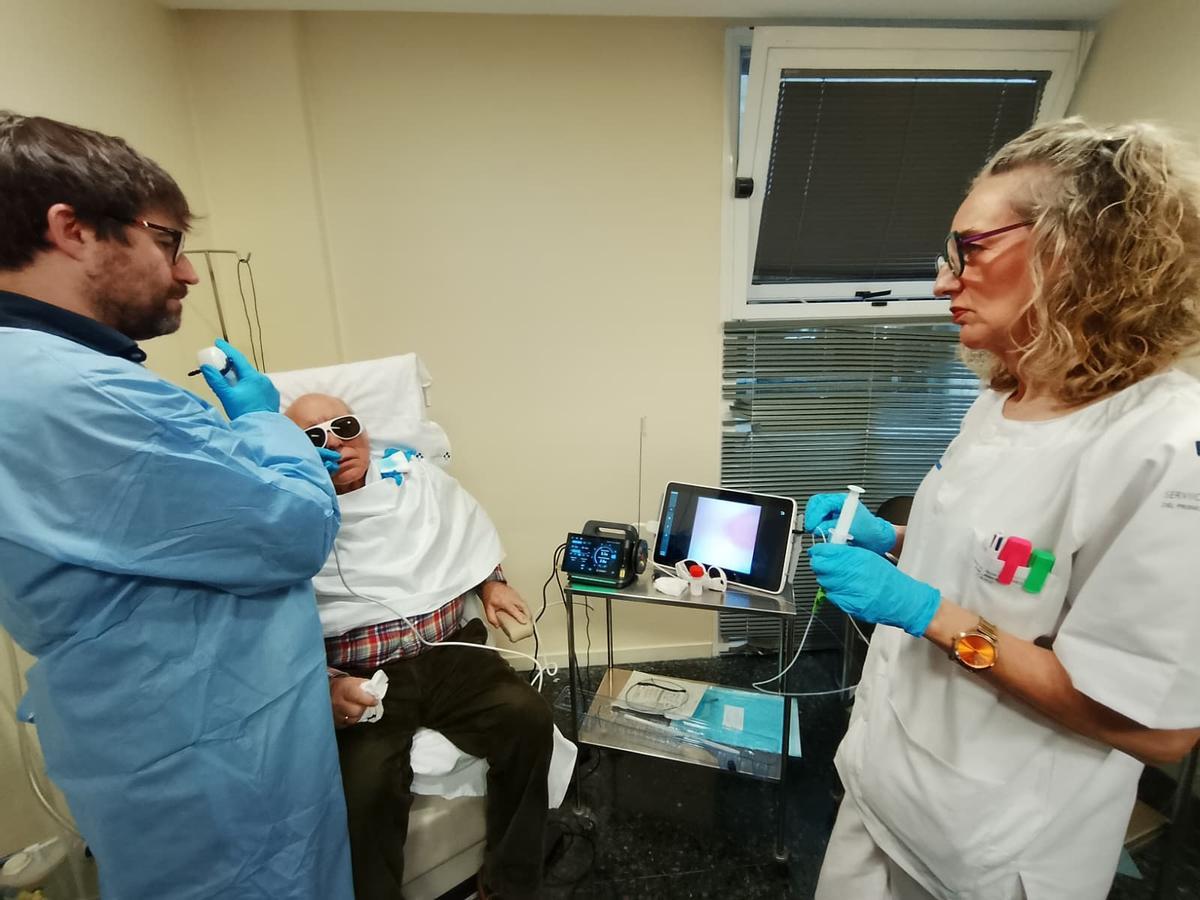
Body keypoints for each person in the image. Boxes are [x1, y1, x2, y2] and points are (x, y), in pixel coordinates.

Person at [807, 118, 1200, 900]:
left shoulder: (1165, 446)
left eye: (970, 249)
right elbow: (1014, 562)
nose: (942, 282)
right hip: (886, 784)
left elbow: (1155, 728)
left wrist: (927, 613)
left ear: (1081, 247)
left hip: (989, 848)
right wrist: (897, 542)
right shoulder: (1006, 395)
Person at [0, 113, 353, 899]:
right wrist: (266, 422)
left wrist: (259, 449)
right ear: (74, 229)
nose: (188, 272)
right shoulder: (75, 393)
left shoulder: (49, 373)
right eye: (168, 242)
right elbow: (292, 528)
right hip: (209, 756)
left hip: (163, 733)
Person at [285, 393, 554, 900]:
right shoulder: (289, 519)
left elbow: (462, 541)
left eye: (344, 426)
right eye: (314, 437)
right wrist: (329, 686)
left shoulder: (417, 483)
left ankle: (511, 883)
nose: (336, 443)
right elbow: (274, 628)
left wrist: (490, 584)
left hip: (451, 654)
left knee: (528, 718)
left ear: (364, 431)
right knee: (362, 793)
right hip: (362, 677)